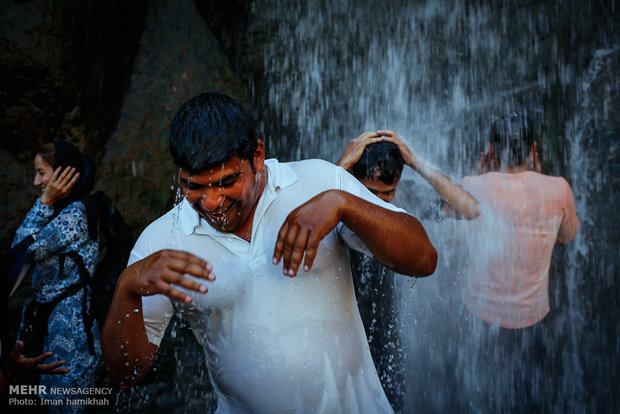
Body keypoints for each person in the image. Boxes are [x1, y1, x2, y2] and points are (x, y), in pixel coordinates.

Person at [101, 92, 437, 413]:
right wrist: (127, 288)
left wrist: (344, 203)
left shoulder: (320, 182)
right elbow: (125, 374)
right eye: (193, 186)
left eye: (227, 181)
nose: (212, 202)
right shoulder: (161, 241)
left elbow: (423, 260)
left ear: (257, 155)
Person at [337, 130, 478, 412]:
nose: (380, 202)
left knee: (391, 402)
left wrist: (417, 162)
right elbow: (296, 217)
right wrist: (339, 167)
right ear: (353, 178)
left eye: (388, 193)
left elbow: (470, 209)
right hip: (340, 328)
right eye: (372, 192)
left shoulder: (408, 197)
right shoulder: (339, 195)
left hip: (385, 329)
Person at [454, 113, 580, 412]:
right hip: (531, 321)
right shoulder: (559, 188)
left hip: (481, 319)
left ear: (492, 151)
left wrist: (480, 176)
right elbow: (567, 236)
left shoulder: (471, 186)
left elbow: (457, 239)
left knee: (480, 396)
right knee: (526, 398)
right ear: (534, 149)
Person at [11, 141, 102, 412]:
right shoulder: (58, 209)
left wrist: (44, 202)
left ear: (64, 174)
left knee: (65, 403)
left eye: (41, 172)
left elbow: (23, 251)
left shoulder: (77, 212)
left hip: (70, 324)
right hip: (50, 318)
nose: (36, 180)